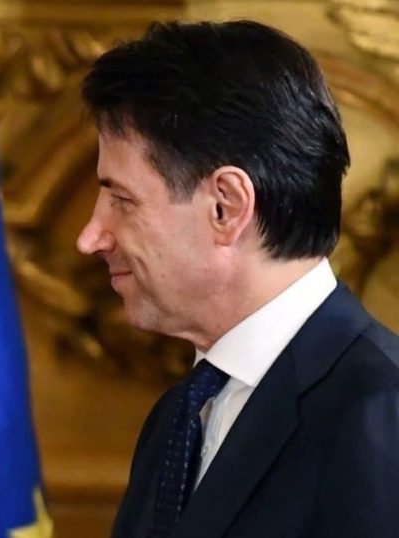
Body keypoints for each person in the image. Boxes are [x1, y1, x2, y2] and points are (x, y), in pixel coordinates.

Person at [77, 20, 399, 538]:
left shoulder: (382, 410)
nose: (90, 237)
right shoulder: (178, 417)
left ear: (225, 207)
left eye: (122, 200)